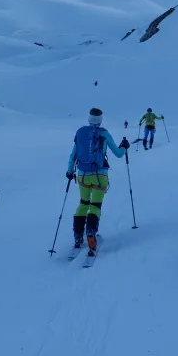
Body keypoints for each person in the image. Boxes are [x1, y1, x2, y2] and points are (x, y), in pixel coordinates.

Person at [65, 108, 131, 257]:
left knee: (83, 204)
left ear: (89, 119)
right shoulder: (104, 133)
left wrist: (70, 171)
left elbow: (72, 156)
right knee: (95, 206)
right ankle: (91, 233)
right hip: (100, 176)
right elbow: (119, 154)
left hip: (82, 175)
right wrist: (124, 146)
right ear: (100, 119)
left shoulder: (80, 133)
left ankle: (77, 236)